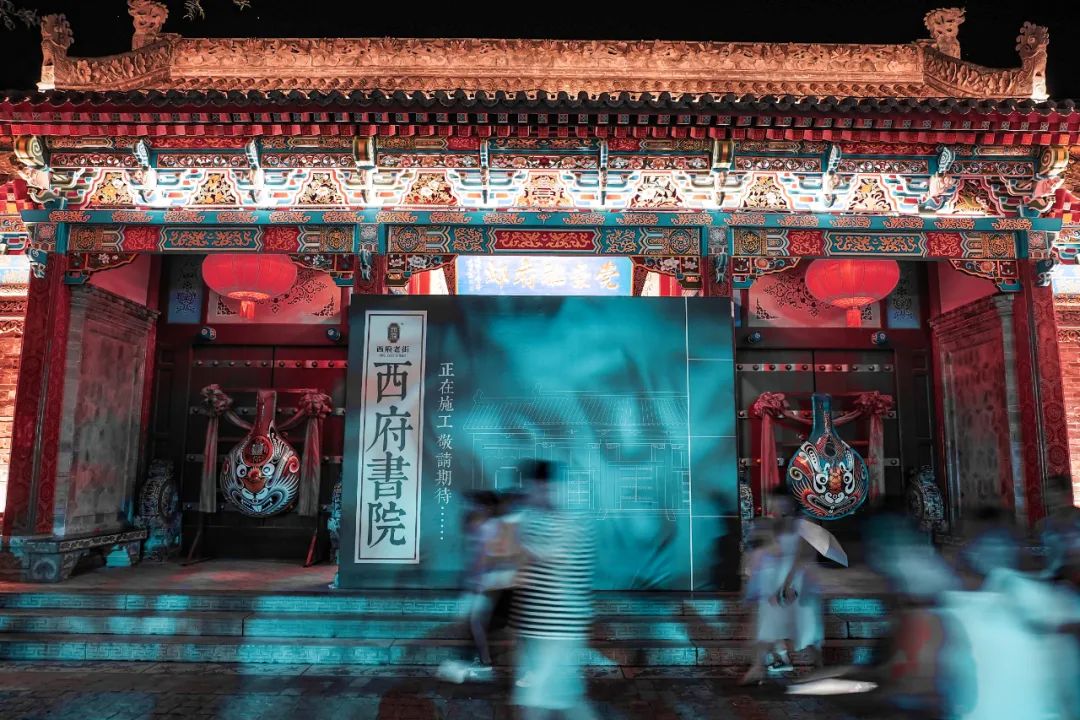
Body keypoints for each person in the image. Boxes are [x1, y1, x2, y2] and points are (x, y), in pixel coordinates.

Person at [510, 459, 596, 720]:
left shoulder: (574, 521)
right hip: (536, 625)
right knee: (559, 698)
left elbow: (548, 553)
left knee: (538, 700)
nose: (531, 494)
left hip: (560, 628)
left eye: (536, 489)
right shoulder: (534, 518)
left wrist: (513, 542)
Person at [740, 490, 823, 684]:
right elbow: (769, 551)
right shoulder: (775, 526)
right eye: (773, 503)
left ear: (789, 503)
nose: (776, 507)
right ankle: (757, 668)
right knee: (768, 625)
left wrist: (787, 584)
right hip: (776, 578)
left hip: (797, 580)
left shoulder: (805, 524)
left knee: (805, 627)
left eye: (779, 503)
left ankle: (819, 667)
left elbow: (802, 556)